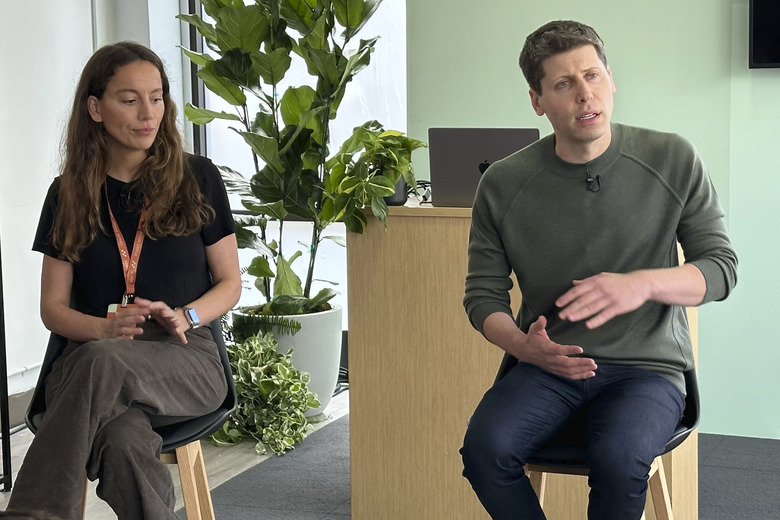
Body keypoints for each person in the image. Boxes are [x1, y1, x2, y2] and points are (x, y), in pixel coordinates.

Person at [460, 20, 737, 520]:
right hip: (549, 365)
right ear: (537, 100)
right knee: (485, 451)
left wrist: (641, 284)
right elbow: (482, 298)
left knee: (618, 461)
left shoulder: (672, 158)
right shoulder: (502, 184)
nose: (585, 95)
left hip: (647, 369)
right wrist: (524, 347)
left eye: (593, 76)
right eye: (564, 83)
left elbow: (720, 269)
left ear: (610, 79)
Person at [6, 42, 241, 519]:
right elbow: (52, 307)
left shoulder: (197, 177)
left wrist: (186, 315)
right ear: (95, 108)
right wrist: (103, 330)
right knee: (123, 442)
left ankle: (33, 513)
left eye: (157, 98)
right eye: (129, 99)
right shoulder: (69, 191)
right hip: (95, 353)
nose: (147, 113)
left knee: (101, 366)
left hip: (183, 356)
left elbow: (230, 283)